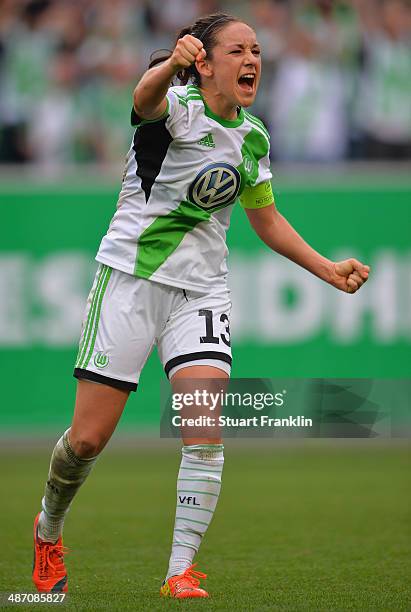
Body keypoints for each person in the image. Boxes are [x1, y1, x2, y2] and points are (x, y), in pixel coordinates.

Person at [31, 12, 370, 600]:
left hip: (201, 291)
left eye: (258, 50)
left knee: (204, 428)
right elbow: (142, 96)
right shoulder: (175, 107)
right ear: (204, 63)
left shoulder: (254, 137)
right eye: (238, 49)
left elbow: (265, 220)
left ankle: (179, 572)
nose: (253, 60)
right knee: (87, 441)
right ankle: (49, 525)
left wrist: (326, 269)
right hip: (131, 282)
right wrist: (169, 63)